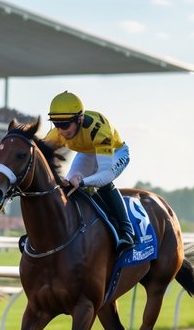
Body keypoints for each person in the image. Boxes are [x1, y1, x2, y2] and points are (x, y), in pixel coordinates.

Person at [42, 91, 134, 254]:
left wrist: (83, 181)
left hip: (114, 151)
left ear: (79, 119)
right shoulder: (56, 134)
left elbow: (104, 174)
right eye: (56, 124)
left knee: (103, 184)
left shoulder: (99, 130)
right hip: (87, 151)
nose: (61, 130)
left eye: (65, 125)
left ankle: (127, 232)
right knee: (68, 188)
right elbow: (41, 160)